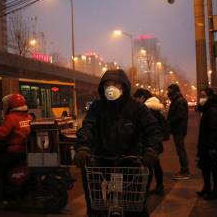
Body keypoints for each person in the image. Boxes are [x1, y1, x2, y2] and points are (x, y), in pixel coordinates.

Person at [74, 69, 163, 217]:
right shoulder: (97, 107)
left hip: (131, 161)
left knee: (136, 206)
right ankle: (94, 211)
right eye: (107, 84)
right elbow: (88, 127)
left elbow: (153, 130)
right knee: (90, 182)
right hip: (104, 159)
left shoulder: (137, 108)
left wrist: (151, 150)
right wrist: (83, 147)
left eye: (115, 83)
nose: (110, 87)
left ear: (124, 86)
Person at [133, 88, 170, 195]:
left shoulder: (147, 110)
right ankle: (159, 187)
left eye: (136, 99)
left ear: (142, 98)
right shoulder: (154, 108)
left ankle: (146, 189)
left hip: (150, 143)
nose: (136, 102)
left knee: (148, 166)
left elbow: (149, 128)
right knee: (155, 165)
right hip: (155, 142)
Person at [196, 88, 217, 200]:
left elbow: (213, 130)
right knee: (204, 167)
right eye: (200, 95)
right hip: (205, 143)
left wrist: (212, 147)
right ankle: (207, 188)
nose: (201, 98)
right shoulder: (207, 109)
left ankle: (216, 192)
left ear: (210, 96)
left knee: (213, 168)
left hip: (211, 144)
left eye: (203, 95)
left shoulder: (213, 110)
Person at [167, 84, 190, 180]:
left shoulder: (179, 101)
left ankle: (185, 171)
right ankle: (183, 170)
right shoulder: (177, 100)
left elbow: (179, 116)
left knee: (181, 150)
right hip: (178, 129)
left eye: (169, 90)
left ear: (174, 91)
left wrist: (169, 122)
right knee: (180, 150)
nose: (168, 92)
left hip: (179, 129)